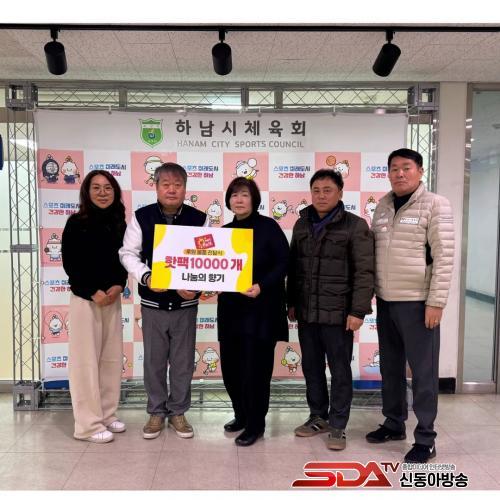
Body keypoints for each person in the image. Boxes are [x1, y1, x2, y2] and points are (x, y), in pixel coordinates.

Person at [365, 148, 454, 464]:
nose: (399, 173)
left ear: (420, 171)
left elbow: (444, 256)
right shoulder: (383, 206)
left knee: (423, 372)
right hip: (387, 301)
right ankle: (394, 423)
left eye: (406, 167)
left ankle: (426, 438)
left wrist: (436, 302)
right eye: (394, 168)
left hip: (418, 304)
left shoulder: (435, 204)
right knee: (390, 368)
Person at [119, 162, 208, 440]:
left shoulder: (199, 218)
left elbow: (207, 260)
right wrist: (147, 277)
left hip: (185, 306)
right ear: (156, 187)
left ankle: (178, 411)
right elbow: (128, 253)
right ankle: (156, 411)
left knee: (183, 363)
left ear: (185, 188)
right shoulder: (142, 217)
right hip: (153, 305)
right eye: (166, 184)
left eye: (177, 185)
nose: (172, 190)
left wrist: (195, 287)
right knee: (154, 362)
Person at [287, 169, 374, 451]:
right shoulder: (302, 224)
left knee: (339, 371)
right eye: (316, 190)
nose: (321, 195)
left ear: (340, 193)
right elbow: (294, 267)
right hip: (307, 312)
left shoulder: (355, 226)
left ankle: (338, 425)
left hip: (339, 314)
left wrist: (358, 311)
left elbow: (364, 272)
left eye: (327, 190)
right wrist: (291, 302)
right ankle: (318, 417)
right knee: (311, 368)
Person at [217, 177, 289, 446]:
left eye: (244, 194)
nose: (239, 199)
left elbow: (284, 263)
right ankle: (241, 415)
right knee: (231, 369)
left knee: (255, 371)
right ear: (228, 200)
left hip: (261, 311)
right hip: (231, 311)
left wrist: (262, 286)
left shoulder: (268, 227)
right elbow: (215, 269)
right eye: (234, 195)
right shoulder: (223, 233)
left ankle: (256, 424)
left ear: (254, 199)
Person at [61, 170, 128, 443]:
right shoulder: (76, 223)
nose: (102, 193)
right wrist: (92, 291)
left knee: (110, 360)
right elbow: (71, 263)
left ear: (115, 192)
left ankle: (107, 415)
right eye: (96, 188)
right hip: (85, 300)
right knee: (85, 362)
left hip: (112, 299)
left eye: (108, 188)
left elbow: (123, 259)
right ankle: (87, 425)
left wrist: (119, 285)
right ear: (87, 192)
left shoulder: (119, 223)